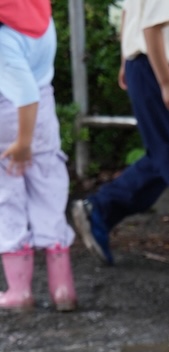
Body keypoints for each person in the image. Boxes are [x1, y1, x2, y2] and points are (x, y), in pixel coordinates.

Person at [71, 0, 169, 272]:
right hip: (159, 67)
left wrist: (127, 60)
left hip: (147, 65)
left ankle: (99, 210)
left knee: (165, 158)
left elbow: (128, 11)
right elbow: (151, 28)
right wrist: (167, 83)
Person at [0, 0, 76, 312]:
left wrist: (22, 143)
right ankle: (63, 290)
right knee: (49, 191)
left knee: (7, 197)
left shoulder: (4, 38)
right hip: (45, 114)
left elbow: (24, 94)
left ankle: (19, 292)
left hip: (13, 118)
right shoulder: (39, 16)